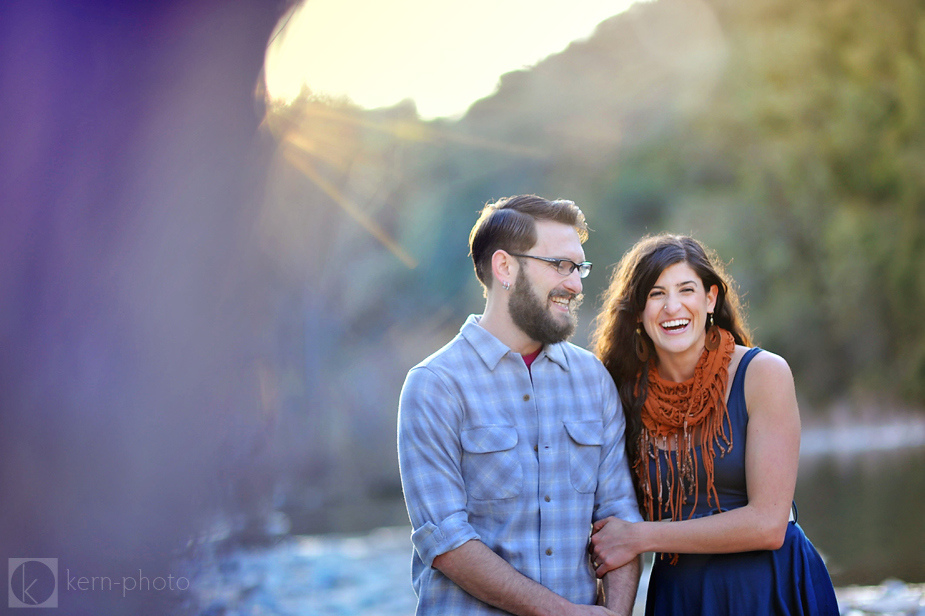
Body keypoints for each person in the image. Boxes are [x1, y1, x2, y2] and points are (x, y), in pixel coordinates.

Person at [397, 195, 643, 616]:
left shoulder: (592, 381)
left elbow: (620, 521)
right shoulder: (435, 386)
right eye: (559, 266)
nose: (577, 284)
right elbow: (448, 542)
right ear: (505, 267)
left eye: (578, 267)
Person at [588, 233, 839, 615]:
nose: (673, 307)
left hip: (769, 586)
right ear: (637, 311)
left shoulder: (762, 374)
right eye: (656, 294)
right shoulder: (621, 393)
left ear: (710, 299)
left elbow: (769, 525)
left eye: (686, 289)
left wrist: (639, 537)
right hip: (681, 593)